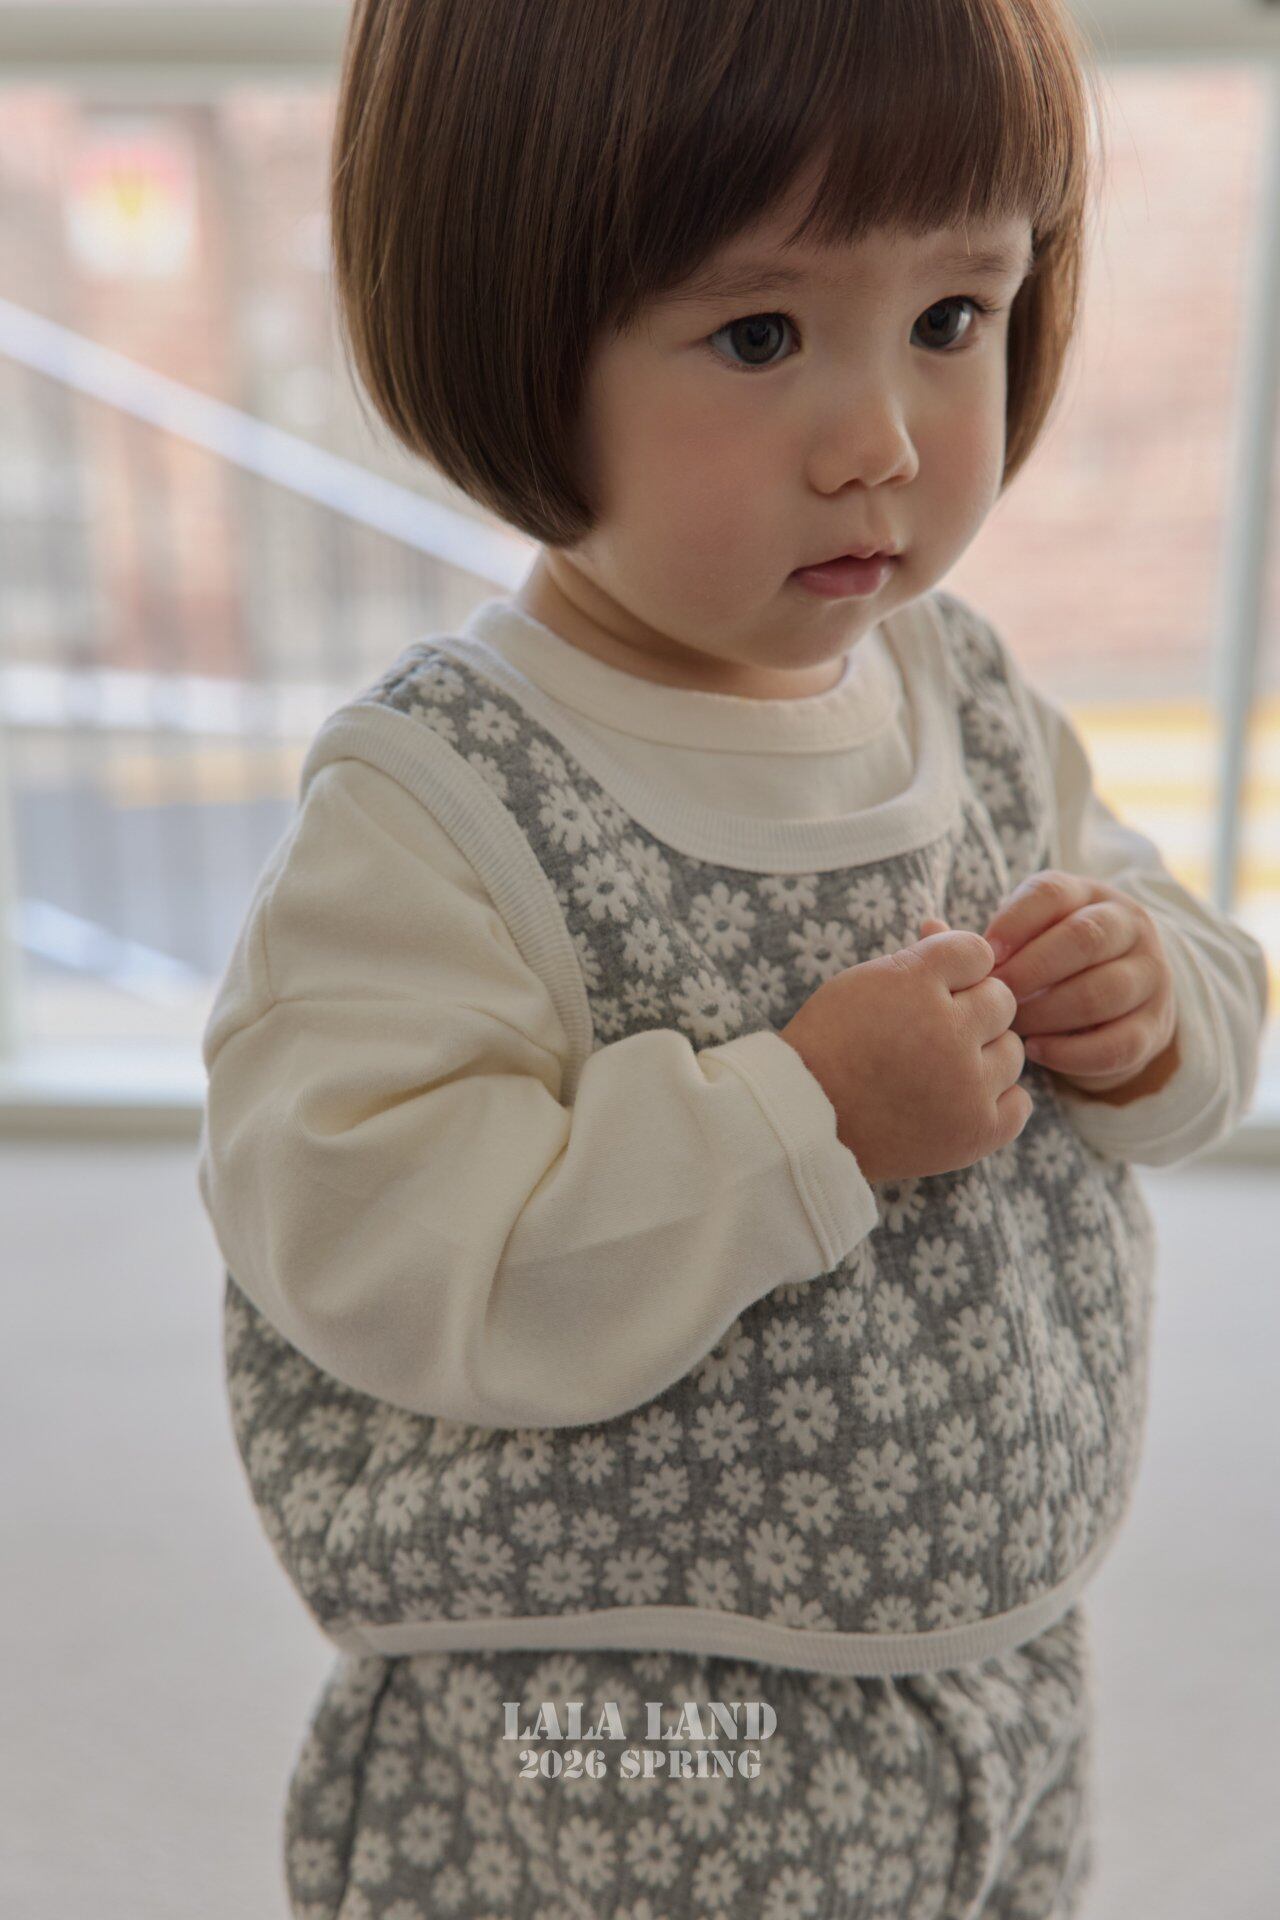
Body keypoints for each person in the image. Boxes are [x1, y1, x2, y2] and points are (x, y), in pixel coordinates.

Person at [196, 2, 1270, 1915]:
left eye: (954, 317)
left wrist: (1152, 1002)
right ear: (514, 335)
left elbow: (1184, 962)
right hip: (628, 1722)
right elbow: (367, 1240)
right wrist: (807, 1119)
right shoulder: (446, 806)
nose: (883, 444)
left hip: (994, 1658)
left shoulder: (962, 692)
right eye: (761, 336)